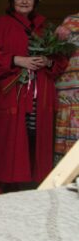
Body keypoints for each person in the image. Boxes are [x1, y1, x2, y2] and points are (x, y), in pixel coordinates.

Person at [0, 0, 68, 194]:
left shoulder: (45, 26)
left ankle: (22, 180)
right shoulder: (1, 24)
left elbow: (59, 61)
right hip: (11, 91)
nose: (24, 1)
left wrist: (47, 61)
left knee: (32, 135)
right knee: (6, 139)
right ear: (12, 1)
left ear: (35, 2)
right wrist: (17, 60)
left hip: (39, 94)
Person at [55, 12, 79, 163]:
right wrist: (58, 38)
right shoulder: (70, 21)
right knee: (69, 135)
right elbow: (56, 51)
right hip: (71, 91)